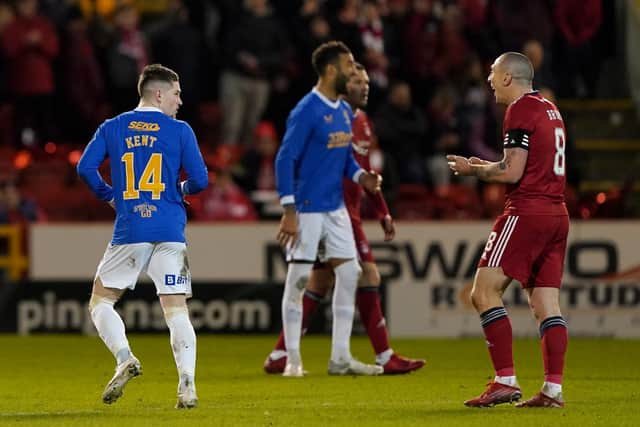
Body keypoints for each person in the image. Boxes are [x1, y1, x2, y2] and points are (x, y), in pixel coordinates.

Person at [264, 63, 425, 375]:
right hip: (327, 211)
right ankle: (382, 355)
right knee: (365, 275)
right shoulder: (320, 115)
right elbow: (296, 160)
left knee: (323, 280)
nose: (364, 87)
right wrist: (293, 206)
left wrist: (381, 209)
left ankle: (282, 354)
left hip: (346, 211)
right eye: (356, 80)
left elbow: (362, 171)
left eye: (366, 81)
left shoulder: (361, 122)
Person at [77, 64, 208, 408]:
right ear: (159, 93)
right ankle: (188, 385)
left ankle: (125, 358)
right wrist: (180, 188)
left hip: (131, 226)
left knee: (101, 301)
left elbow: (84, 167)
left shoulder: (113, 127)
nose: (181, 100)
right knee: (176, 308)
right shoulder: (180, 130)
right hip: (170, 229)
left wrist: (110, 195)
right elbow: (200, 180)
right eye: (177, 93)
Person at [447, 52, 569, 408]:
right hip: (556, 212)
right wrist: (485, 165)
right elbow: (520, 164)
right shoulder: (549, 108)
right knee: (546, 304)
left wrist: (473, 171)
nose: (488, 79)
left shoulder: (519, 109)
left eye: (492, 73)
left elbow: (513, 173)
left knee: (482, 293)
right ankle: (553, 390)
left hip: (526, 211)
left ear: (506, 78)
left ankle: (505, 380)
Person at [275, 41, 383, 377]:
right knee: (299, 279)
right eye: (350, 65)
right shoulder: (306, 110)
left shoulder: (342, 111)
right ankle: (292, 360)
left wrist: (360, 175)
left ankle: (340, 357)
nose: (354, 71)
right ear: (332, 70)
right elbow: (285, 158)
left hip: (335, 208)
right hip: (307, 209)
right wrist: (289, 209)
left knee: (349, 274)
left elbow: (344, 157)